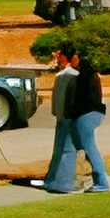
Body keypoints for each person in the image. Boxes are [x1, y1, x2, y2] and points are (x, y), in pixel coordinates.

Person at [38, 46, 81, 193]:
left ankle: (52, 179)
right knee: (69, 150)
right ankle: (64, 183)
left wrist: (56, 112)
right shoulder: (75, 76)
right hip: (71, 116)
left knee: (59, 149)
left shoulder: (61, 77)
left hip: (62, 116)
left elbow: (56, 99)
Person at [65, 57, 110, 192]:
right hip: (95, 113)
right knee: (80, 146)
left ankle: (102, 182)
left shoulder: (81, 78)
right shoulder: (92, 76)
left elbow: (78, 100)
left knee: (88, 147)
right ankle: (78, 179)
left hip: (85, 115)